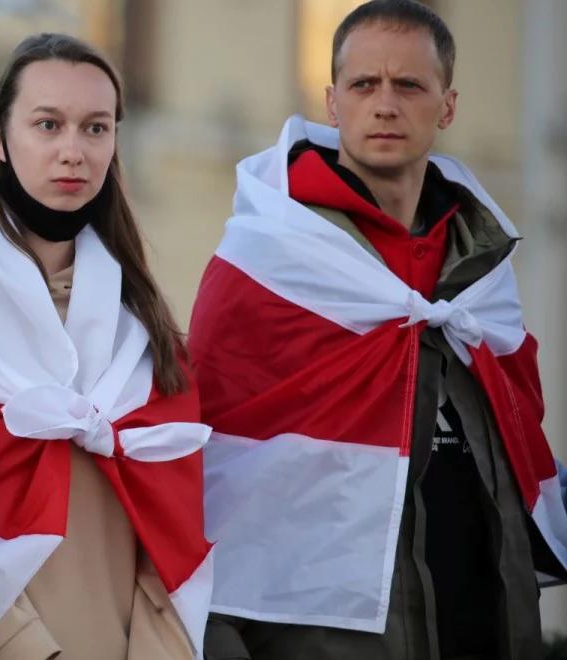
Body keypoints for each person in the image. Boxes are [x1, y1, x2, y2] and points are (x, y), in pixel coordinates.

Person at [191, 2, 567, 659]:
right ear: (333, 103)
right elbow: (210, 471)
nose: (385, 105)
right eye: (365, 85)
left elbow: (522, 442)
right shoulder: (266, 263)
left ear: (447, 106)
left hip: (486, 622)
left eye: (409, 86)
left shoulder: (480, 273)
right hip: (325, 637)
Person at [0, 33, 211, 660]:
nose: (73, 151)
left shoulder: (145, 336)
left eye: (95, 128)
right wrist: (24, 646)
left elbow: (171, 533)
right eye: (47, 124)